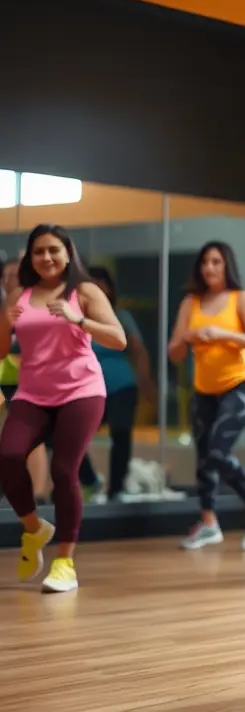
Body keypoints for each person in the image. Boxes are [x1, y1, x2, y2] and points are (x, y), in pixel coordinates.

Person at [0, 224, 126, 593]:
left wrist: (78, 320)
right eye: (39, 251)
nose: (47, 257)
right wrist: (4, 323)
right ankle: (34, 529)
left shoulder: (84, 291)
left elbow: (118, 339)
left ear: (68, 253)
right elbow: (2, 350)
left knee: (63, 470)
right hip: (33, 393)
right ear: (30, 257)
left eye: (53, 250)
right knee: (8, 456)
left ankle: (65, 562)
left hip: (80, 390)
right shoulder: (19, 295)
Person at [168, 242, 245, 552]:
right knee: (204, 459)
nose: (209, 268)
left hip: (240, 385)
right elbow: (174, 352)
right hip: (204, 390)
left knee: (217, 452)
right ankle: (209, 523)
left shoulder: (241, 298)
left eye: (216, 262)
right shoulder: (190, 303)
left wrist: (222, 334)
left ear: (227, 266)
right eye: (205, 262)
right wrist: (186, 339)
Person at [82, 266, 155, 503]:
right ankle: (90, 481)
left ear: (110, 288)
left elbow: (139, 352)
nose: (97, 287)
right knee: (72, 435)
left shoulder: (120, 316)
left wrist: (146, 383)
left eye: (101, 282)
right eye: (91, 283)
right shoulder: (76, 318)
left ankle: (116, 490)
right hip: (88, 390)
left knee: (121, 433)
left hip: (122, 387)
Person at [0, 256, 49, 503]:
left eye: (15, 275)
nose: (10, 280)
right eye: (6, 276)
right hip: (5, 381)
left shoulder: (35, 306)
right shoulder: (4, 308)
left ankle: (38, 494)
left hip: (31, 381)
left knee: (32, 437)